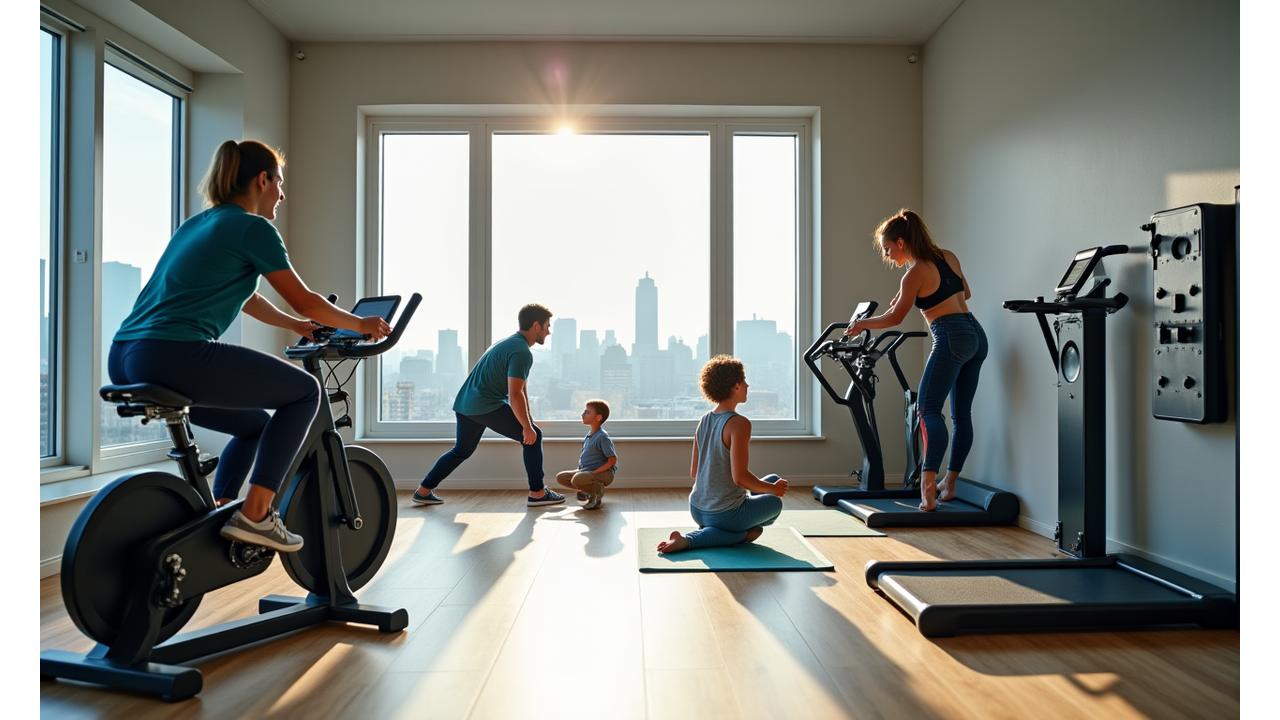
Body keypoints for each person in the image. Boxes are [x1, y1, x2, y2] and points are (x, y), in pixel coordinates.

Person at [108, 140, 392, 552]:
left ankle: (221, 514)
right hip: (173, 353)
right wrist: (360, 322)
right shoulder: (254, 228)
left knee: (253, 425)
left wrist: (297, 325)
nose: (282, 193)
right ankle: (257, 515)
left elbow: (247, 297)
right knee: (304, 392)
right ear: (263, 180)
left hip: (127, 355)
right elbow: (306, 298)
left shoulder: (198, 224)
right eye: (280, 183)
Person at [843, 208, 987, 512]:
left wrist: (861, 325)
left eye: (886, 248)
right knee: (962, 415)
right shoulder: (947, 256)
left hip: (949, 335)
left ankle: (927, 488)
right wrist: (914, 294)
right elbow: (966, 293)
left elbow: (895, 318)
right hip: (975, 334)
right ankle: (950, 482)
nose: (886, 255)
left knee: (927, 410)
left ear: (901, 242)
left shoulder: (914, 273)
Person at [411, 304, 565, 507]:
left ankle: (423, 491)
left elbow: (521, 388)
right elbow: (515, 394)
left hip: (465, 403)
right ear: (536, 326)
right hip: (485, 404)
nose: (548, 331)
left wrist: (527, 419)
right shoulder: (521, 352)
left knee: (461, 450)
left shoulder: (508, 343)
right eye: (547, 326)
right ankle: (537, 493)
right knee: (533, 438)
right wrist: (527, 428)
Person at [656, 356, 788, 554]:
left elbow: (695, 472)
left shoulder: (704, 419)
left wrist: (771, 485)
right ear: (735, 386)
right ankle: (696, 540)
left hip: (697, 508)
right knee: (774, 502)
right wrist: (773, 490)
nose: (747, 385)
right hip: (723, 513)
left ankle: (720, 531)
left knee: (773, 480)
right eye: (744, 381)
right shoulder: (739, 423)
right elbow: (740, 478)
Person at [555, 399, 618, 510]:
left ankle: (597, 491)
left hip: (604, 473)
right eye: (584, 411)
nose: (583, 414)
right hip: (587, 470)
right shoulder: (589, 435)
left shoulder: (602, 437)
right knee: (561, 477)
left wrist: (593, 472)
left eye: (587, 412)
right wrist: (584, 471)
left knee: (577, 479)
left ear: (598, 417)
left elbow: (612, 461)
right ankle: (589, 492)